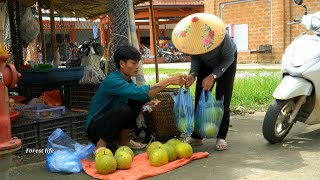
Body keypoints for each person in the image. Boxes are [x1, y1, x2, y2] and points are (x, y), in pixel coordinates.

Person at [85, 45, 186, 153]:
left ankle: (124, 141)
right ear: (122, 64)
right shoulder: (113, 80)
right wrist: (169, 81)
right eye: (133, 63)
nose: (137, 66)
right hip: (95, 129)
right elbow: (140, 93)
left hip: (110, 125)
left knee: (137, 100)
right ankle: (100, 146)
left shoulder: (127, 80)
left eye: (138, 63)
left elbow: (137, 101)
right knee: (126, 107)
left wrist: (147, 106)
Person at [172, 13, 237, 151]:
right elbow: (196, 59)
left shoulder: (222, 37)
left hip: (226, 63)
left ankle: (221, 136)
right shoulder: (192, 40)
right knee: (200, 94)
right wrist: (193, 74)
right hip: (205, 63)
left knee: (223, 97)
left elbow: (229, 58)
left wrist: (213, 75)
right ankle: (197, 136)